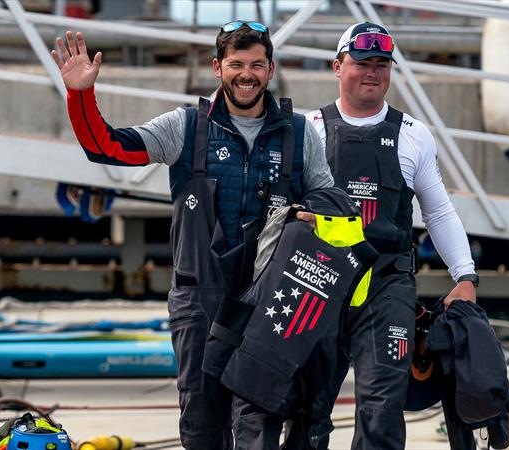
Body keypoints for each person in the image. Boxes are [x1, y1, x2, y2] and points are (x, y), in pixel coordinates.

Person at [51, 22, 333, 449]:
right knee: (202, 426)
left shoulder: (299, 132)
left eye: (257, 64)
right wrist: (80, 96)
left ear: (271, 69)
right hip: (198, 301)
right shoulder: (184, 127)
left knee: (260, 423)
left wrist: (312, 215)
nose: (247, 74)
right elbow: (107, 147)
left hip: (270, 305)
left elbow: (332, 204)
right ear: (217, 68)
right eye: (236, 64)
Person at [306, 22, 478, 449]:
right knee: (307, 408)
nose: (373, 72)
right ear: (337, 66)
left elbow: (438, 210)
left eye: (382, 65)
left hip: (387, 286)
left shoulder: (413, 135)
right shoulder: (306, 129)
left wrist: (466, 277)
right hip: (317, 282)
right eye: (362, 62)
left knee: (382, 407)